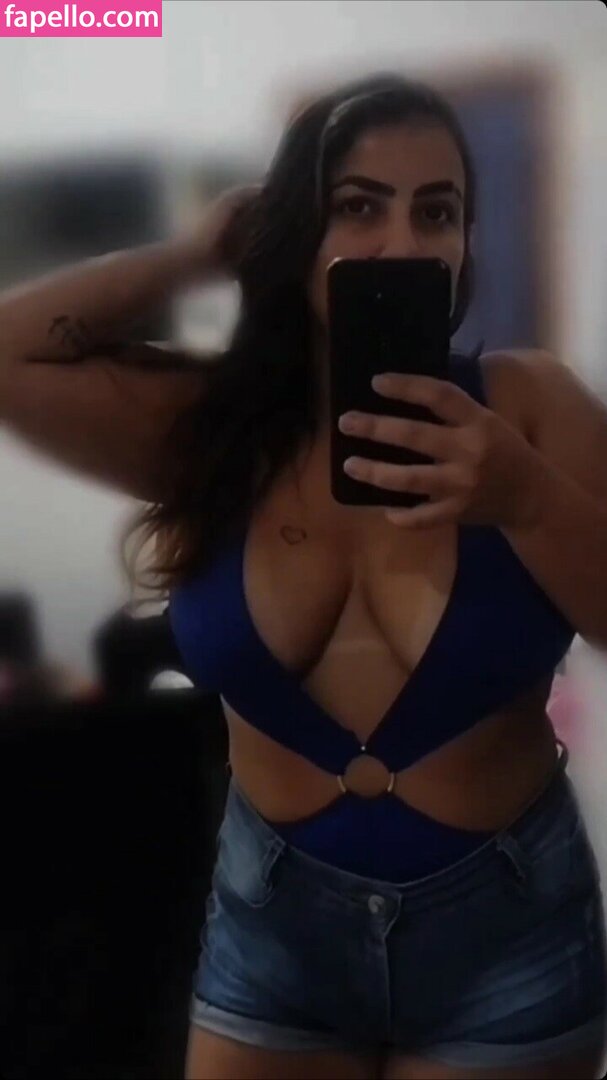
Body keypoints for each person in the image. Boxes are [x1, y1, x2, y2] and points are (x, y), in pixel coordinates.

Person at [1, 73, 606, 1080]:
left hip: (504, 932)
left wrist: (526, 498)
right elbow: (10, 354)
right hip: (276, 938)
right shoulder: (208, 431)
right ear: (293, 233)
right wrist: (196, 254)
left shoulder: (529, 406)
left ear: (464, 244)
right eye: (356, 206)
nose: (401, 244)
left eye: (436, 212)